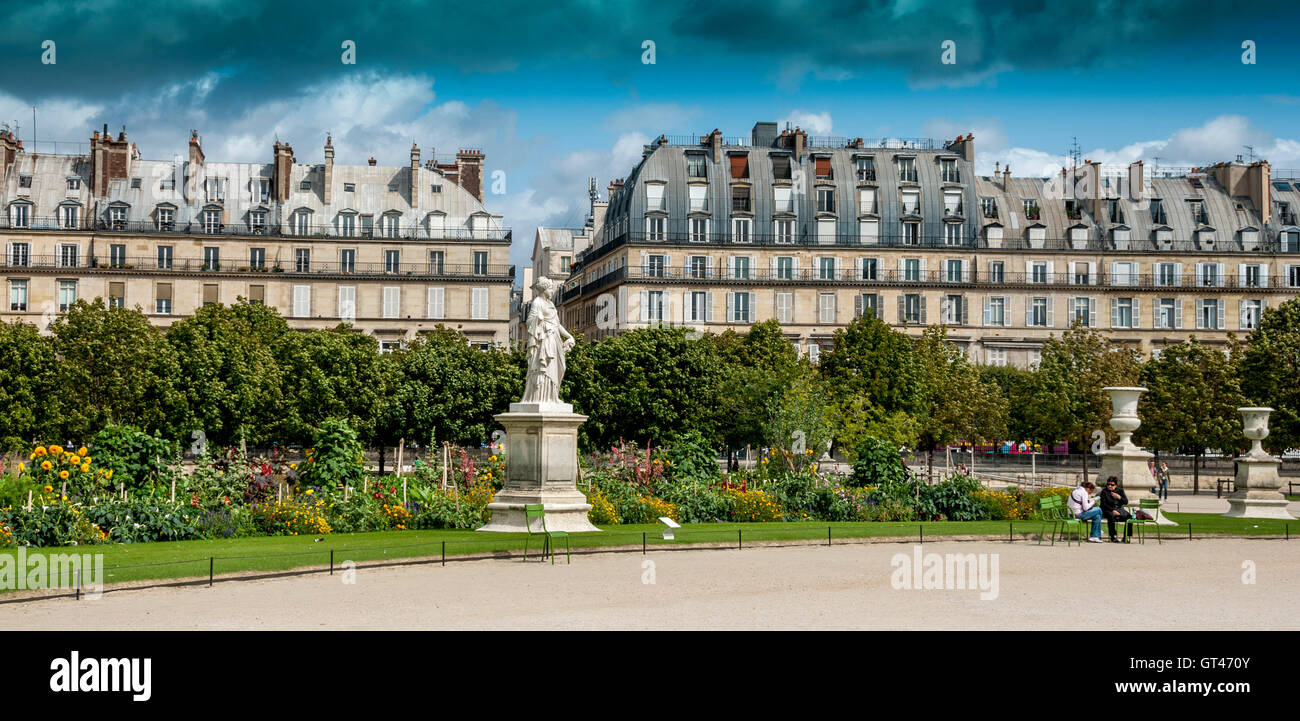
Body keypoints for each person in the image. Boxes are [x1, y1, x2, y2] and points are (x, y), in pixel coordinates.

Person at [1098, 476, 1132, 542]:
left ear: (1116, 485)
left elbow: (1126, 502)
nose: (1110, 486)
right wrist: (1112, 510)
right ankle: (1113, 536)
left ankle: (1125, 537)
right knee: (1111, 516)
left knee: (1129, 517)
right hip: (1107, 509)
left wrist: (1119, 497)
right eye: (1108, 484)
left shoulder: (1120, 491)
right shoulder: (1104, 492)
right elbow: (1103, 504)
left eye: (1112, 485)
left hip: (1119, 509)